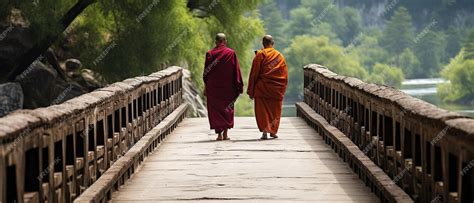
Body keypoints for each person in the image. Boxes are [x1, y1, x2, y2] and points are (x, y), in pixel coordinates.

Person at [203, 33, 243, 141]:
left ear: (215, 42)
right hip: (228, 88)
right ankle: (225, 134)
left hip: (214, 88)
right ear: (225, 41)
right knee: (227, 109)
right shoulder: (231, 53)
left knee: (216, 110)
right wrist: (238, 85)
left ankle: (219, 134)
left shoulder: (210, 54)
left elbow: (206, 73)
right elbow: (236, 71)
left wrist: (206, 86)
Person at [247, 35, 288, 140]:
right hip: (276, 88)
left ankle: (265, 131)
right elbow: (284, 75)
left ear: (263, 43)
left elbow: (254, 73)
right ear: (272, 43)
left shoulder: (260, 54)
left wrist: (251, 90)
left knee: (262, 111)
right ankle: (273, 132)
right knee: (275, 110)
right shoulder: (279, 56)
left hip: (262, 88)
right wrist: (282, 88)